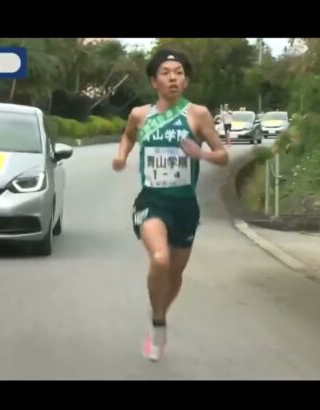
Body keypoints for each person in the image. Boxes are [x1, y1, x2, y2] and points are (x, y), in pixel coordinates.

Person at [112, 49, 229, 361]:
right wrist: (122, 156)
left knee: (174, 276)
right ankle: (159, 323)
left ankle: (158, 314)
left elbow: (223, 155)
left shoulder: (197, 115)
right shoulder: (141, 116)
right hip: (152, 200)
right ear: (154, 81)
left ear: (186, 80)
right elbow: (128, 136)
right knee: (160, 260)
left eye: (178, 72)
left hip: (185, 206)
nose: (173, 77)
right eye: (166, 72)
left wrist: (200, 154)